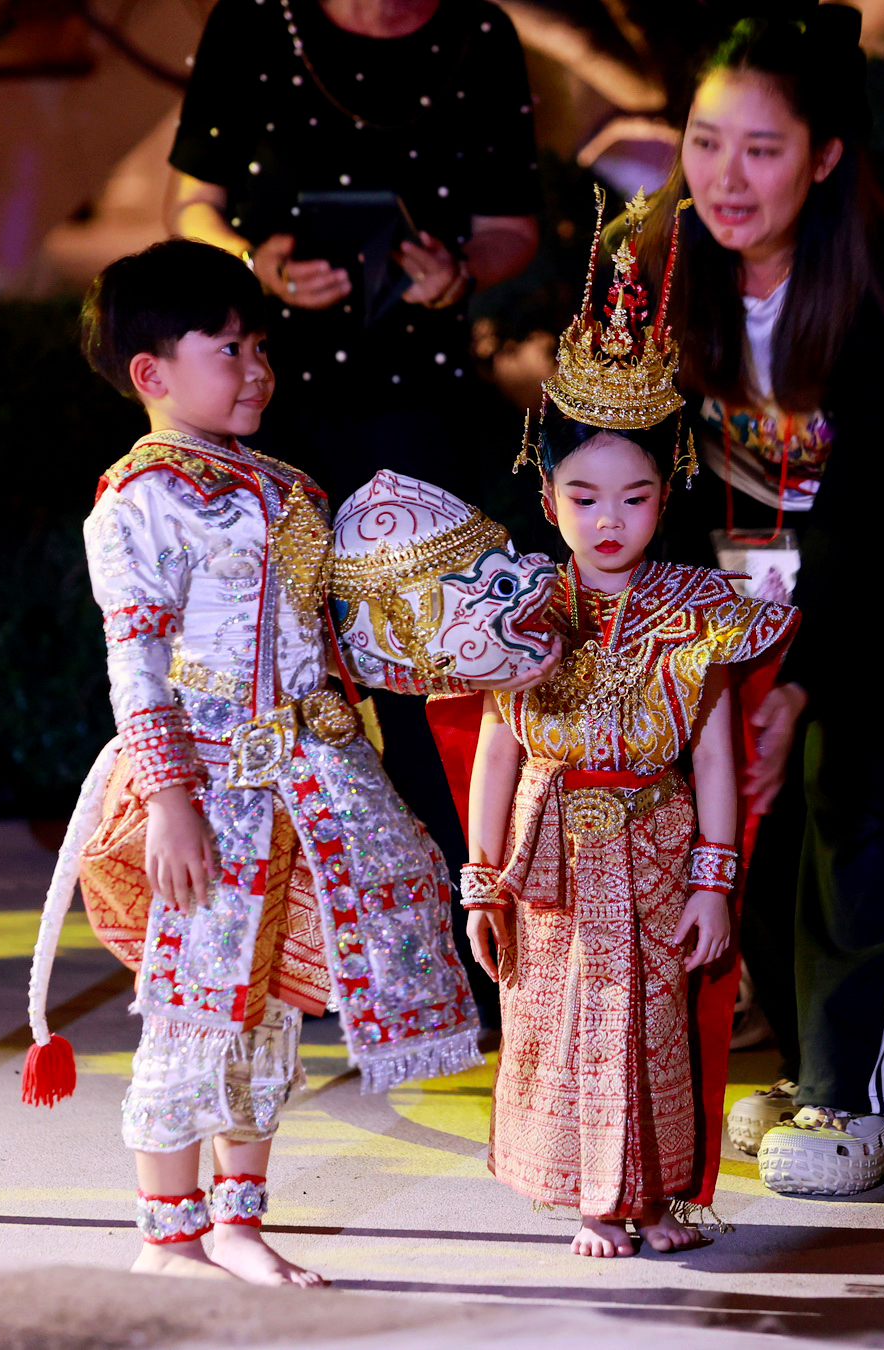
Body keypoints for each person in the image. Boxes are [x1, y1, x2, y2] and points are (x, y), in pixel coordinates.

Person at [24, 238, 492, 1285]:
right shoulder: (139, 501)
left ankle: (237, 1220)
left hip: (305, 779)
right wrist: (171, 799)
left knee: (266, 1008)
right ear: (152, 374)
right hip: (209, 787)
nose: (257, 367)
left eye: (260, 344)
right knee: (196, 1001)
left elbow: (327, 634)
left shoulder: (282, 483)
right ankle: (169, 1232)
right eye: (230, 347)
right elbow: (135, 663)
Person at [641, 3, 884, 1195]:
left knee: (859, 797)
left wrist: (796, 678)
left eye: (762, 149)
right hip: (746, 575)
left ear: (826, 155)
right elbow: (650, 467)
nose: (724, 179)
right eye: (703, 141)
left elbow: (881, 511)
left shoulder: (881, 284)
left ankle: (869, 1097)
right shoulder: (659, 262)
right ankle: (809, 1072)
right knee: (762, 812)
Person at [166, 0, 544, 1024]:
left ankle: (467, 961)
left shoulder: (478, 34)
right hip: (268, 396)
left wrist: (460, 272)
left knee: (431, 686)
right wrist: (260, 264)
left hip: (415, 406)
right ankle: (280, 961)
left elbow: (515, 224)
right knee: (271, 684)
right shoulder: (255, 23)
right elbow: (192, 204)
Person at [462, 201, 798, 1257]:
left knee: (653, 1028)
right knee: (562, 1024)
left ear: (672, 490)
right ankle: (595, 1200)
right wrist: (482, 880)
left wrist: (714, 877)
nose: (610, 521)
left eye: (638, 497)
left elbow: (712, 748)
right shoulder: (519, 611)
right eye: (583, 494)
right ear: (548, 490)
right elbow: (498, 746)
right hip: (550, 849)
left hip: (655, 842)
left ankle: (651, 1196)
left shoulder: (697, 610)